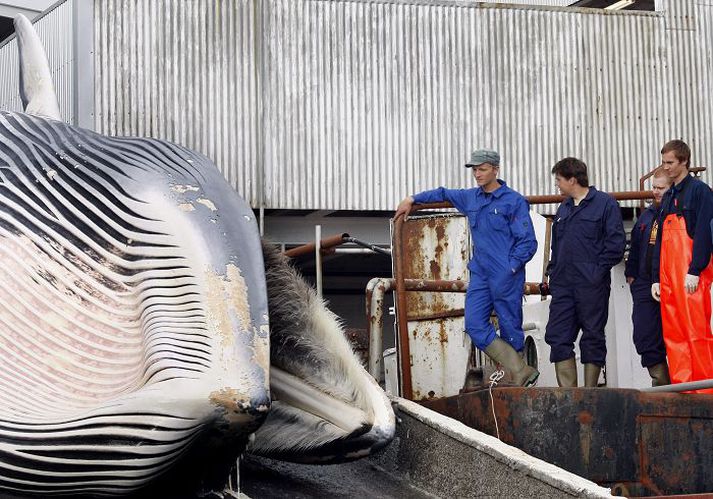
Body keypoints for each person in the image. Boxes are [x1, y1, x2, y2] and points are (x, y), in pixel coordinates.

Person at [394, 149, 539, 386]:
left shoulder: (513, 201)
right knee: (474, 324)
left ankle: (515, 381)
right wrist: (412, 199)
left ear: (495, 169)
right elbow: (442, 193)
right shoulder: (471, 197)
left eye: (482, 169)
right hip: (481, 273)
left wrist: (511, 268)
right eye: (474, 169)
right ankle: (520, 369)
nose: (477, 174)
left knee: (510, 326)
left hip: (506, 274)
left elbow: (528, 242)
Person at [545, 157, 625, 387]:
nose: (557, 185)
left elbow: (615, 245)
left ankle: (589, 394)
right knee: (558, 337)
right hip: (563, 286)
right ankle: (570, 398)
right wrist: (554, 272)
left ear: (572, 179)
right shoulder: (564, 207)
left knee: (592, 337)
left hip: (592, 286)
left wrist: (595, 273)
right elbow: (557, 245)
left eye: (559, 180)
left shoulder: (605, 204)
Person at [651, 140, 713, 388]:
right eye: (664, 162)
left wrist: (695, 269)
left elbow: (704, 233)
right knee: (674, 335)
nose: (665, 168)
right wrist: (657, 276)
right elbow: (659, 240)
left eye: (670, 163)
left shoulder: (700, 191)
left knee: (697, 333)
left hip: (690, 275)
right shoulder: (669, 196)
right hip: (668, 278)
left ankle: (706, 389)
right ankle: (683, 388)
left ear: (684, 161)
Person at [624, 169, 672, 386]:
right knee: (644, 335)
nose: (655, 192)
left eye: (661, 188)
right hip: (644, 284)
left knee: (674, 336)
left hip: (671, 282)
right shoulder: (646, 215)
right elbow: (635, 246)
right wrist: (632, 275)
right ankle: (661, 383)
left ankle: (680, 386)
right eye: (654, 187)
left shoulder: (676, 213)